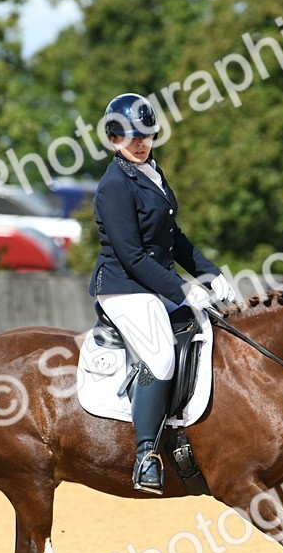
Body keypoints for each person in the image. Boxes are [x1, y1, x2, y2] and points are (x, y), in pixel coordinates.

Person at [89, 92, 237, 494]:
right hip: (125, 288)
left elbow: (175, 238)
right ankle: (146, 457)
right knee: (159, 356)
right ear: (114, 136)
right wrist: (182, 288)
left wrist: (210, 273)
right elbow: (133, 256)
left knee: (213, 333)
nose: (140, 144)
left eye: (147, 136)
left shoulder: (152, 172)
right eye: (132, 137)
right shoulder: (114, 185)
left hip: (156, 285)